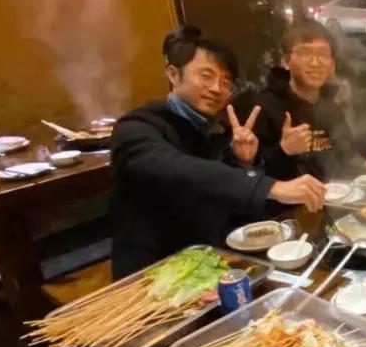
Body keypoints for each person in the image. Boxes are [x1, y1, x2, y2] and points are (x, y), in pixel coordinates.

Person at [110, 26, 325, 278]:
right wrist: (270, 186)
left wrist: (244, 163)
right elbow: (180, 170)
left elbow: (230, 201)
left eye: (225, 83)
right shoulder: (137, 128)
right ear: (173, 74)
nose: (216, 88)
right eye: (206, 76)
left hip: (209, 265)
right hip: (150, 273)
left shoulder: (217, 131)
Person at [232, 20, 362, 182]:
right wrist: (284, 150)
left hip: (333, 195)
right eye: (305, 53)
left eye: (323, 54)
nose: (315, 63)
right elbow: (249, 176)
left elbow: (346, 158)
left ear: (332, 64)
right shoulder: (263, 108)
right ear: (285, 61)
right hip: (282, 198)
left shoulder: (333, 110)